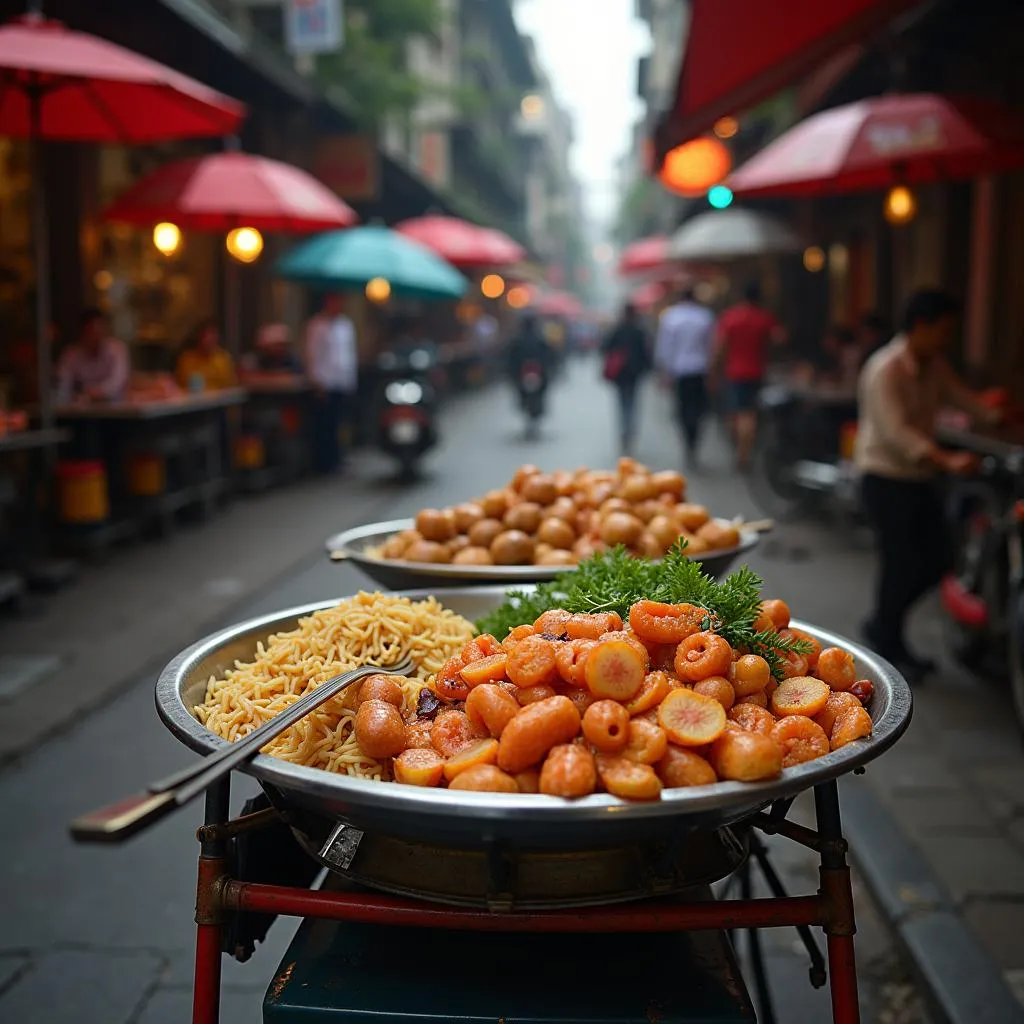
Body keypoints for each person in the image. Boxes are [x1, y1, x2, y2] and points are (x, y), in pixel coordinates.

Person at [856, 289, 1000, 681]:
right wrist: (947, 459)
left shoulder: (933, 363)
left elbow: (961, 400)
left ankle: (884, 627)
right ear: (920, 326)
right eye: (943, 330)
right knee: (898, 566)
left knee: (937, 560)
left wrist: (994, 413)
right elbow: (896, 433)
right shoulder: (884, 368)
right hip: (884, 480)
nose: (946, 339)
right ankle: (888, 641)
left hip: (918, 481)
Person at [713, 282, 784, 470]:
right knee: (749, 414)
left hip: (735, 372)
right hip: (757, 371)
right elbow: (780, 338)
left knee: (739, 413)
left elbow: (719, 347)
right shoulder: (764, 318)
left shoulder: (730, 318)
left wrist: (715, 369)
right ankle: (745, 450)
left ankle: (742, 453)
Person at [653, 285, 716, 467]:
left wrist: (664, 371)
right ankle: (693, 440)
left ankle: (688, 440)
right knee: (698, 409)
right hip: (700, 370)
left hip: (680, 370)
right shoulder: (705, 316)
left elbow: (664, 347)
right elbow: (711, 346)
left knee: (682, 410)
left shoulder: (671, 317)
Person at [304, 294, 358, 474]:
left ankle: (337, 458)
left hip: (342, 381)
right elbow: (312, 355)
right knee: (324, 424)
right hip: (324, 382)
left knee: (339, 422)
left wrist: (351, 379)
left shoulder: (345, 325)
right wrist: (316, 381)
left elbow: (349, 353)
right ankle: (323, 462)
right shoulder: (317, 325)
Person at [601, 301, 651, 454]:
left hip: (621, 374)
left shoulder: (618, 330)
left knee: (623, 403)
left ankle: (625, 430)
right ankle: (629, 430)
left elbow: (606, 348)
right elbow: (646, 353)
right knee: (632, 402)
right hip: (633, 374)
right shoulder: (638, 331)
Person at [56, 308, 130, 403]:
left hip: (116, 411)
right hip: (79, 412)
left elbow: (116, 384)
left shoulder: (117, 350)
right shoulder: (71, 355)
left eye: (100, 330)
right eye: (93, 331)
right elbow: (62, 386)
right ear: (83, 333)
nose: (97, 336)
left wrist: (89, 394)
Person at [175, 319, 237, 392]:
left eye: (213, 335)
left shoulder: (223, 359)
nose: (210, 339)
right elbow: (178, 387)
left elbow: (231, 386)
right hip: (193, 401)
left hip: (221, 401)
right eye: (207, 336)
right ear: (199, 337)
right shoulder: (186, 360)